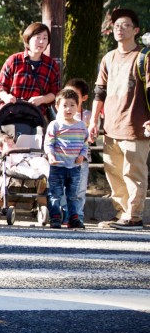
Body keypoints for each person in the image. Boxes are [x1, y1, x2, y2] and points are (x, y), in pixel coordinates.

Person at [89, 8, 150, 230]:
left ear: (136, 30)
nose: (119, 29)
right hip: (111, 127)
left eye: (125, 25)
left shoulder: (144, 57)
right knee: (114, 174)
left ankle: (134, 216)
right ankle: (122, 213)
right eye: (116, 25)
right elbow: (99, 92)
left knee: (134, 173)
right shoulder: (108, 58)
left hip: (137, 126)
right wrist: (94, 121)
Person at [0, 22, 61, 115]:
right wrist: (6, 97)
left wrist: (41, 99)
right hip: (11, 112)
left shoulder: (51, 65)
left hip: (37, 115)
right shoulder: (14, 60)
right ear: (28, 39)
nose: (41, 41)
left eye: (45, 38)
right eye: (38, 37)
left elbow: (55, 92)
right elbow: (0, 86)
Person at [44, 88, 88, 229]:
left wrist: (82, 155)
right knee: (55, 194)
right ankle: (55, 217)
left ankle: (73, 218)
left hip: (74, 167)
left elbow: (85, 144)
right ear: (57, 107)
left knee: (73, 195)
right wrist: (50, 156)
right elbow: (49, 143)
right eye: (64, 105)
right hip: (58, 166)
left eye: (72, 105)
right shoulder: (55, 125)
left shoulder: (81, 126)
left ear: (78, 106)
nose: (68, 109)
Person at [63, 77, 92, 225]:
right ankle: (64, 214)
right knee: (63, 188)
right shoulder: (60, 116)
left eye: (74, 95)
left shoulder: (87, 116)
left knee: (79, 189)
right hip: (63, 158)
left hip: (81, 159)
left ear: (84, 98)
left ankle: (78, 215)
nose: (70, 98)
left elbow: (90, 137)